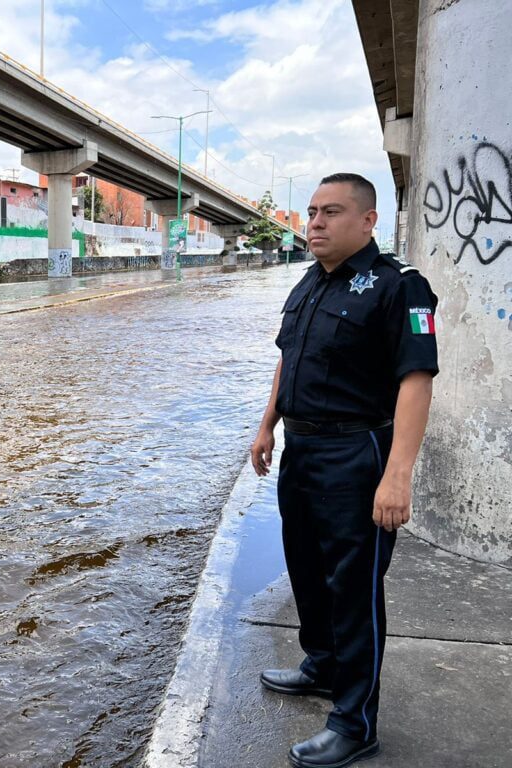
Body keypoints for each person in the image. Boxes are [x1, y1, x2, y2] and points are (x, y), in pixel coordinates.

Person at [249, 173, 438, 768]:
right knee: (307, 570)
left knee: (355, 591)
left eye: (331, 212)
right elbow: (288, 359)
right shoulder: (308, 283)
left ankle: (355, 723)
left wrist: (398, 474)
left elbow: (416, 379)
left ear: (368, 221)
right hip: (301, 451)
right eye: (311, 212)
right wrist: (266, 426)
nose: (316, 223)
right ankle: (323, 666)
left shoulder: (399, 288)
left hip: (357, 455)